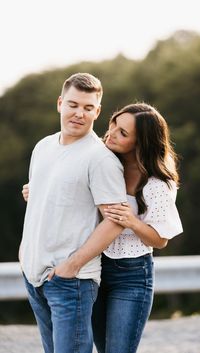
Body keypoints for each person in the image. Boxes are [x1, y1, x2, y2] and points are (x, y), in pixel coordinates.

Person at [22, 101, 183, 353]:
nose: (111, 134)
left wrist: (131, 222)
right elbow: (72, 188)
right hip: (96, 267)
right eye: (113, 125)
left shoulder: (157, 183)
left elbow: (160, 240)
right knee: (97, 345)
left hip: (131, 275)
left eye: (123, 133)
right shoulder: (102, 160)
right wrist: (41, 189)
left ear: (141, 143)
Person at [19, 72, 128, 353]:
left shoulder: (100, 158)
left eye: (88, 107)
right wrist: (25, 254)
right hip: (35, 277)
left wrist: (73, 265)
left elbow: (115, 223)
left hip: (71, 282)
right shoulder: (43, 147)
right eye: (73, 104)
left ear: (98, 111)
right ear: (60, 103)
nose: (79, 113)